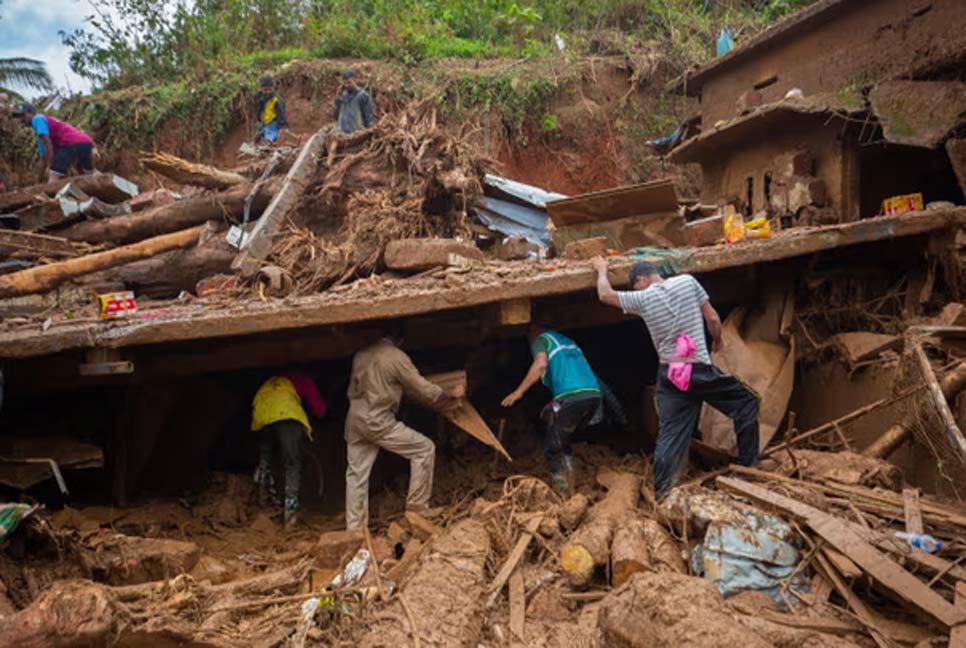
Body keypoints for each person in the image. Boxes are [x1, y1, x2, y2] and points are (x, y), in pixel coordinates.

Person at [590, 257, 760, 498]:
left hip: (671, 375)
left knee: (671, 433)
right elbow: (712, 318)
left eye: (635, 285)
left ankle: (663, 492)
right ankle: (748, 469)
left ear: (642, 278)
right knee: (746, 402)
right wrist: (718, 341)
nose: (636, 290)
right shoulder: (687, 282)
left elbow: (604, 294)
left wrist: (602, 270)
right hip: (696, 368)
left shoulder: (643, 297)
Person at [344, 323, 464, 531]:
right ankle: (417, 509)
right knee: (424, 449)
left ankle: (354, 530)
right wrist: (449, 394)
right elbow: (422, 388)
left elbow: (354, 389)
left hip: (355, 420)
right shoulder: (396, 357)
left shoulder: (361, 355)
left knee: (356, 475)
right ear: (401, 340)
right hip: (378, 420)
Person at [501, 325, 602, 495]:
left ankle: (564, 491)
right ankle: (572, 480)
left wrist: (519, 392)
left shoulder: (541, 339)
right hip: (593, 395)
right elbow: (571, 375)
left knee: (552, 448)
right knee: (562, 438)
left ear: (533, 331)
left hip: (572, 397)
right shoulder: (567, 341)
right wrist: (556, 402)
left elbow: (540, 364)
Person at [251, 371, 328, 528]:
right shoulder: (304, 379)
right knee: (292, 463)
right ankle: (290, 516)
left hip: (261, 411)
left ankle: (261, 506)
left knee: (265, 459)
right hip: (285, 412)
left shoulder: (272, 381)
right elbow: (320, 409)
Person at [12, 103, 95, 182]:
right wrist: (39, 181)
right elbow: (43, 158)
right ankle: (105, 183)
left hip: (71, 143)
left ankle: (50, 197)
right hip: (85, 142)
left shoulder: (37, 119)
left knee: (54, 174)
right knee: (88, 172)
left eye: (23, 115)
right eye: (19, 117)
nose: (21, 119)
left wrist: (49, 166)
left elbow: (47, 143)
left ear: (30, 113)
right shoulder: (41, 132)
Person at [333, 69, 375, 134]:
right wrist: (337, 99)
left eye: (349, 82)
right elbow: (336, 116)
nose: (346, 85)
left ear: (355, 81)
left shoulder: (363, 96)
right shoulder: (343, 95)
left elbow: (369, 116)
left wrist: (370, 132)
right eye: (345, 83)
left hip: (356, 136)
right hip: (342, 135)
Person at [254, 75, 288, 144]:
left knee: (270, 135)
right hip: (265, 123)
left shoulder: (276, 100)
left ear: (273, 88)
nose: (268, 92)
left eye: (269, 89)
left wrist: (283, 127)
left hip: (274, 123)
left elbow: (281, 114)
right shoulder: (261, 97)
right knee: (260, 133)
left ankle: (269, 141)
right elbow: (260, 109)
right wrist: (259, 120)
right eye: (265, 90)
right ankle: (261, 136)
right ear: (261, 89)